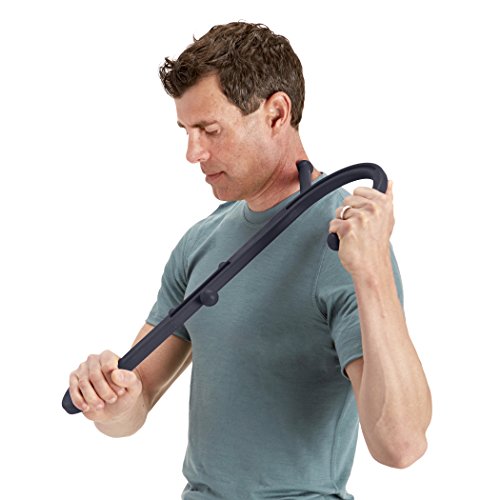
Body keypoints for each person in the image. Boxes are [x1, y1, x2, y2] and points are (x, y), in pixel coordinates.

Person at [68, 22, 432, 499]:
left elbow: (401, 446)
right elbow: (135, 404)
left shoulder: (346, 245)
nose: (193, 153)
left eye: (209, 130)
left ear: (276, 113)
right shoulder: (201, 241)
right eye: (187, 131)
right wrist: (110, 405)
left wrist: (373, 271)